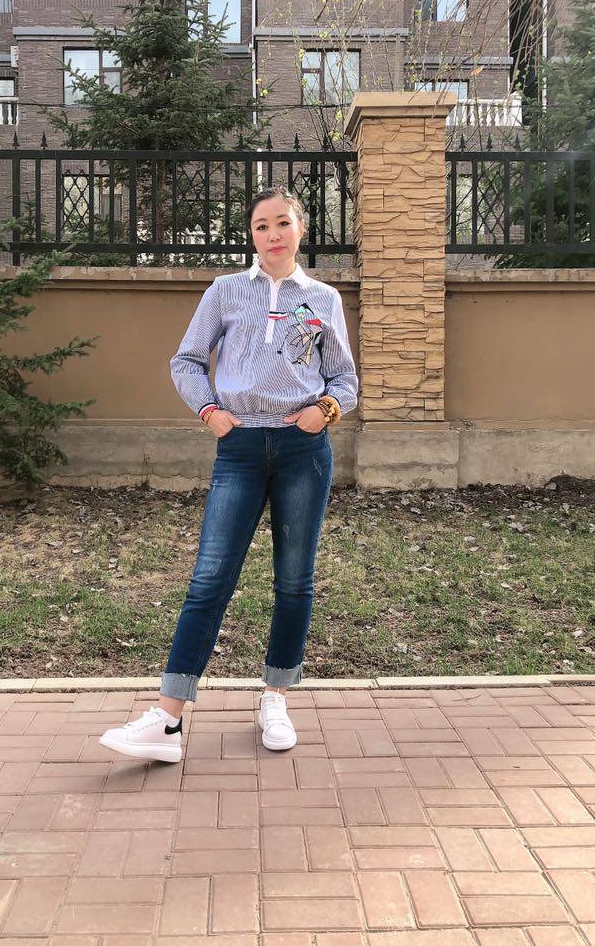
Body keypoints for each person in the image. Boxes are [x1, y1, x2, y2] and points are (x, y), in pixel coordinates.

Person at [99, 186, 359, 763]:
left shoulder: (323, 299)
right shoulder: (225, 291)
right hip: (239, 449)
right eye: (262, 225)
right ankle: (168, 720)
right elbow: (187, 360)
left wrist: (324, 411)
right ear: (252, 235)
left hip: (302, 451)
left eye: (282, 222)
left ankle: (275, 698)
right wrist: (210, 411)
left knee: (294, 580)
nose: (273, 234)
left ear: (300, 229)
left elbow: (345, 379)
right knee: (210, 578)